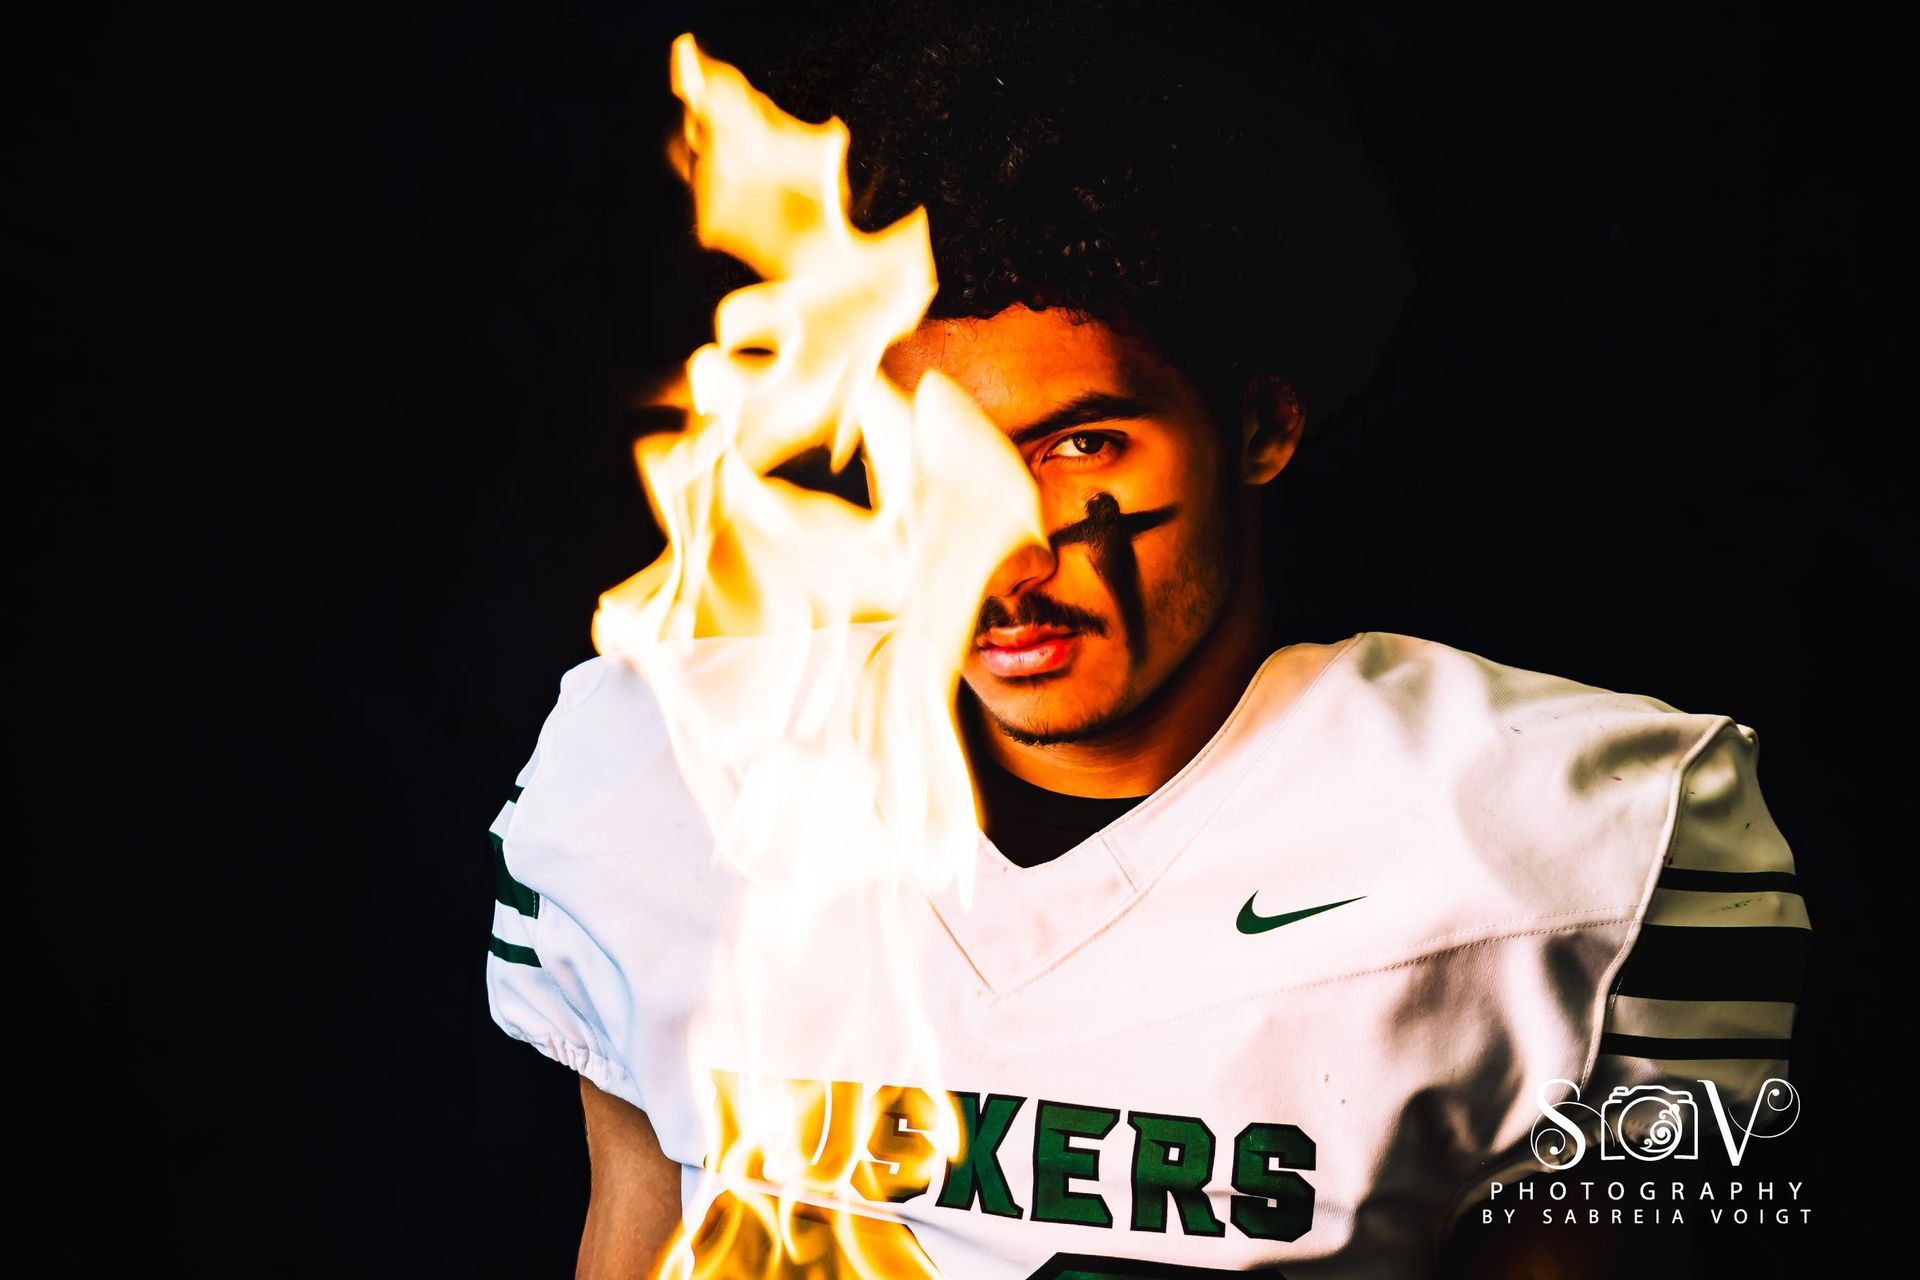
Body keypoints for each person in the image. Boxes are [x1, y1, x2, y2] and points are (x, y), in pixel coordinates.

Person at [483, 1, 1809, 1275]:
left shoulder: (1551, 831)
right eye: (940, 456)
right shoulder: (665, 770)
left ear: (1259, 430)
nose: (1006, 545)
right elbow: (639, 1234)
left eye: (1081, 443)